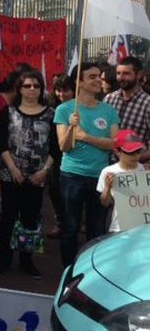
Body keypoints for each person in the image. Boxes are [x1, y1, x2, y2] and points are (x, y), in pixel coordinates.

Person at [0, 71, 59, 279]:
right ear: (19, 89)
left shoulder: (51, 114)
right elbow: (1, 141)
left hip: (38, 176)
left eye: (36, 86)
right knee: (8, 217)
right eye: (27, 86)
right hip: (11, 174)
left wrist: (44, 171)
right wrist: (12, 168)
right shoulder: (9, 112)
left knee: (30, 218)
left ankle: (26, 260)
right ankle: (4, 260)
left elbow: (56, 147)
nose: (32, 90)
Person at [54, 62, 120, 268]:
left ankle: (91, 272)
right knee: (70, 229)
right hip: (71, 176)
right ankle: (69, 272)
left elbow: (116, 144)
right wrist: (72, 129)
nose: (98, 80)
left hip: (100, 178)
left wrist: (86, 137)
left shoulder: (109, 111)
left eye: (98, 76)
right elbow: (63, 147)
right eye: (91, 77)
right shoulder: (65, 109)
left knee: (96, 230)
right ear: (78, 82)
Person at [97, 130, 146, 234]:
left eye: (138, 151)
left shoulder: (145, 170)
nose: (135, 156)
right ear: (117, 152)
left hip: (144, 227)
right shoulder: (108, 172)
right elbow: (105, 203)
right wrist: (107, 188)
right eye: (130, 152)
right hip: (119, 228)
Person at [103, 56, 150, 163]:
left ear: (139, 75)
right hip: (107, 167)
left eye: (126, 73)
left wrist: (136, 158)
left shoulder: (147, 103)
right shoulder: (109, 99)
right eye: (118, 73)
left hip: (135, 170)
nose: (121, 77)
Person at [47, 74, 76, 238]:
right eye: (58, 90)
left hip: (71, 156)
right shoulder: (51, 108)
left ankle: (72, 224)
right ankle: (60, 222)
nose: (62, 94)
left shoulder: (78, 108)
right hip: (54, 157)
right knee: (55, 191)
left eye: (66, 90)